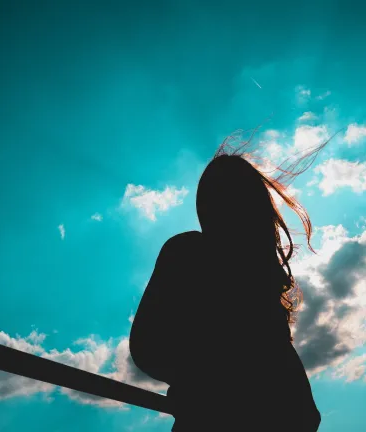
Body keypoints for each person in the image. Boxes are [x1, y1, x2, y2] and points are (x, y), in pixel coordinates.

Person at [129, 148, 322, 431]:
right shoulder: (201, 258)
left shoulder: (198, 257)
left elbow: (145, 347)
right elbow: (305, 411)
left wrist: (200, 385)